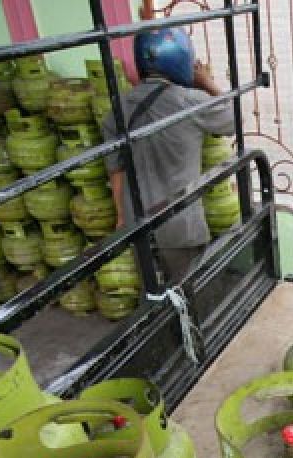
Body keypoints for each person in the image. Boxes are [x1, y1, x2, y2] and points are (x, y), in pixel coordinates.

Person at [101, 27, 235, 283]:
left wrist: (121, 218)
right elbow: (233, 120)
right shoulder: (189, 101)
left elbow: (115, 169)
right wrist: (206, 81)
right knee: (190, 292)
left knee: (153, 295)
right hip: (180, 223)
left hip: (137, 222)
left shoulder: (118, 109)